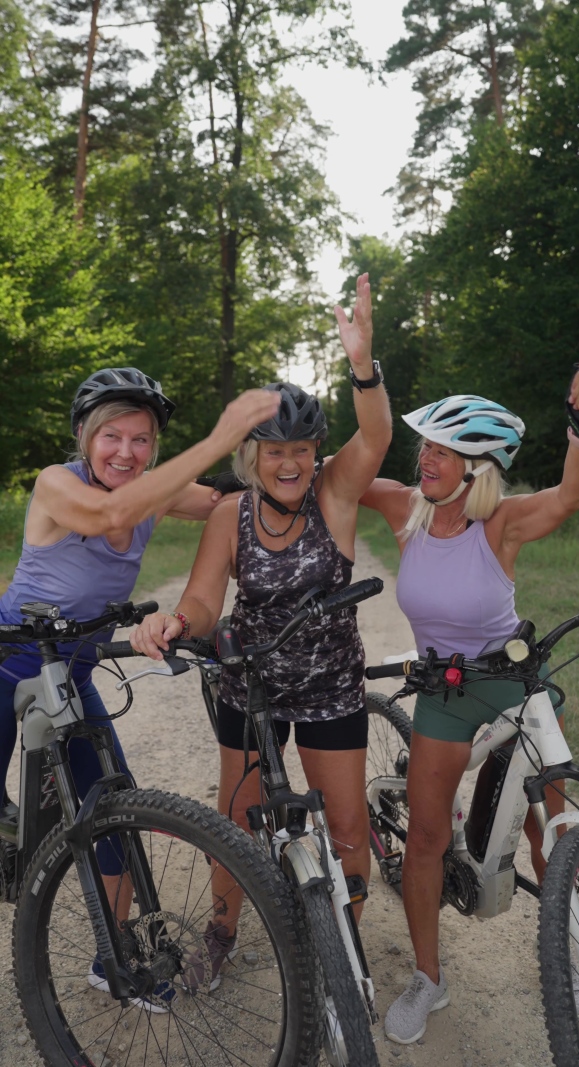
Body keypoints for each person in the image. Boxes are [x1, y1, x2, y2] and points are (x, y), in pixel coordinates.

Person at [129, 274, 393, 991]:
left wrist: (362, 366)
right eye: (274, 451)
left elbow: (378, 435)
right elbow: (206, 597)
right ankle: (222, 929)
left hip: (332, 683)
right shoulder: (230, 513)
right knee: (237, 820)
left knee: (344, 825)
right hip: (249, 681)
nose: (290, 463)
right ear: (252, 455)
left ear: (315, 452)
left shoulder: (335, 493)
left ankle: (344, 945)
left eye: (302, 449)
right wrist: (180, 621)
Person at [0, 366, 280, 1010]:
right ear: (83, 437)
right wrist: (223, 432)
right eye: (112, 437)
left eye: (142, 440)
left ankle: (112, 955)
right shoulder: (58, 485)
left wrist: (292, 469)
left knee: (110, 810)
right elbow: (111, 512)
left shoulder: (150, 492)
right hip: (9, 661)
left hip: (68, 675)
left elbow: (219, 500)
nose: (126, 452)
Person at [359, 353, 579, 1045]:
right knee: (430, 837)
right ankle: (428, 977)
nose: (426, 457)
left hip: (512, 681)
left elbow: (571, 497)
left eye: (444, 449)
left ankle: (577, 953)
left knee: (547, 821)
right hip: (444, 690)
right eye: (426, 445)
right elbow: (338, 479)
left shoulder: (500, 523)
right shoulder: (407, 508)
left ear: (479, 465)